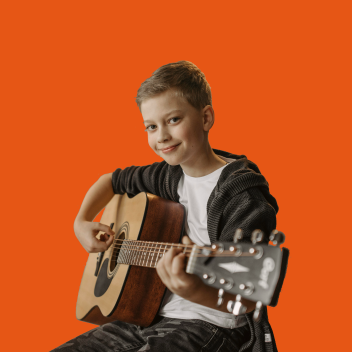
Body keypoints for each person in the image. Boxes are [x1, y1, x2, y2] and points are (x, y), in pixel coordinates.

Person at [52, 61, 279, 351]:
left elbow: (246, 299)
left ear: (206, 118)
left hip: (212, 325)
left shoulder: (242, 197)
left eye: (173, 120)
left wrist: (194, 288)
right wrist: (81, 222)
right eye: (151, 126)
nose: (161, 137)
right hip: (150, 316)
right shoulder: (169, 174)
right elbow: (110, 180)